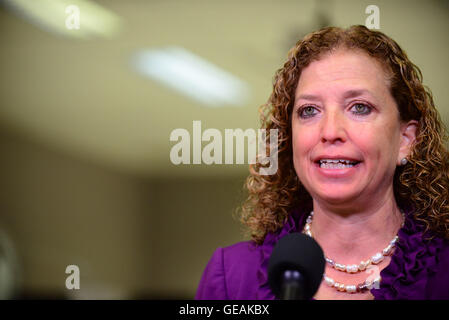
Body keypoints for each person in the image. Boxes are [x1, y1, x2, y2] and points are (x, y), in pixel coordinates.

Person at [195, 25, 449, 300]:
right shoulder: (233, 276)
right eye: (309, 111)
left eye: (359, 107)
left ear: (406, 139)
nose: (330, 132)